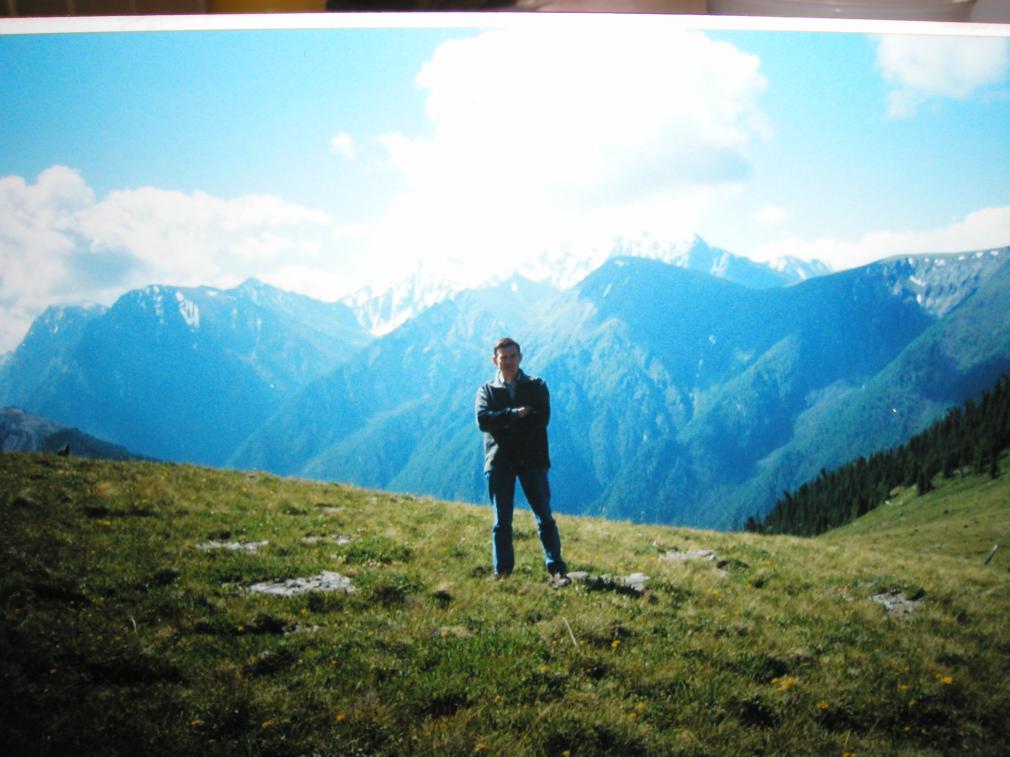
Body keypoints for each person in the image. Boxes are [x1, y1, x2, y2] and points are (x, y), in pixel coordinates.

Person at [475, 337, 569, 585]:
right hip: (500, 462)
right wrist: (515, 414)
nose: (508, 361)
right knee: (502, 521)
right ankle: (503, 572)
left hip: (532, 460)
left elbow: (541, 418)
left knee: (544, 516)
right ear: (495, 360)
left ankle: (556, 568)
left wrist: (502, 421)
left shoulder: (537, 385)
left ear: (520, 357)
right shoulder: (486, 390)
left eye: (512, 356)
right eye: (503, 357)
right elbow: (483, 421)